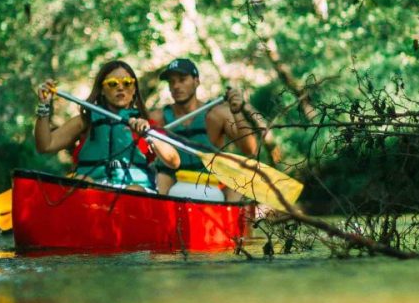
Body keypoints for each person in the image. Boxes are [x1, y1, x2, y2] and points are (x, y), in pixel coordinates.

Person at [33, 60, 180, 191]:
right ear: (102, 90)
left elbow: (174, 162)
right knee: (81, 181)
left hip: (134, 190)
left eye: (127, 83)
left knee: (134, 190)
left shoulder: (145, 123)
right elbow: (45, 145)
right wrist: (44, 105)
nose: (120, 87)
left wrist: (149, 135)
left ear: (134, 89)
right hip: (95, 188)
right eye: (112, 83)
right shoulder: (86, 120)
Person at [152, 57, 266, 200]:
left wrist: (238, 112)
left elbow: (250, 150)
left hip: (212, 181)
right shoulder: (158, 117)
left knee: (238, 184)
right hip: (174, 180)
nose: (176, 86)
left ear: (196, 81)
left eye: (182, 79)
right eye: (172, 82)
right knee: (160, 178)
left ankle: (228, 214)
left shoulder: (216, 114)